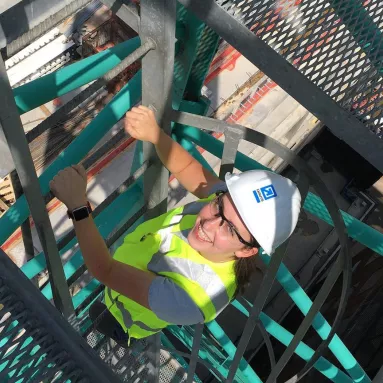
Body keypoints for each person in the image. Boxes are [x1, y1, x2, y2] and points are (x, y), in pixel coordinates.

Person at [50, 106, 301, 345]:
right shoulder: (228, 203)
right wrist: (156, 136)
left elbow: (106, 270)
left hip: (124, 318)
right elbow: (187, 167)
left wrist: (78, 206)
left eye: (230, 229)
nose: (209, 224)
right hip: (122, 273)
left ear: (247, 251)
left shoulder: (195, 299)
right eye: (218, 206)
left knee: (88, 330)